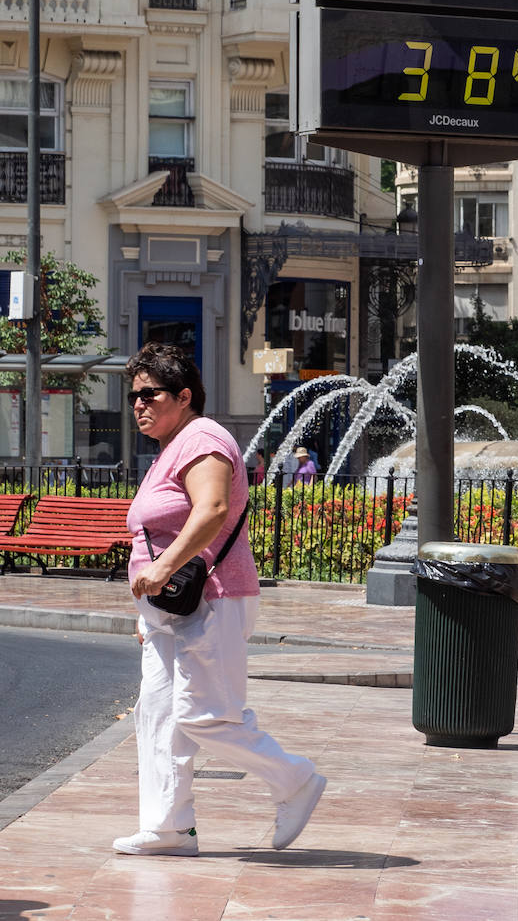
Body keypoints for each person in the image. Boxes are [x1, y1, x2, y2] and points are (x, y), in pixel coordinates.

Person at [116, 341, 326, 857]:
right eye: (133, 396)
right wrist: (150, 609)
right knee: (159, 715)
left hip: (212, 599)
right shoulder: (173, 445)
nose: (139, 404)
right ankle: (167, 827)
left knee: (203, 715)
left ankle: (294, 780)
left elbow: (210, 509)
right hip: (175, 611)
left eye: (150, 394)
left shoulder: (202, 438)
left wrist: (162, 569)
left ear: (184, 395)